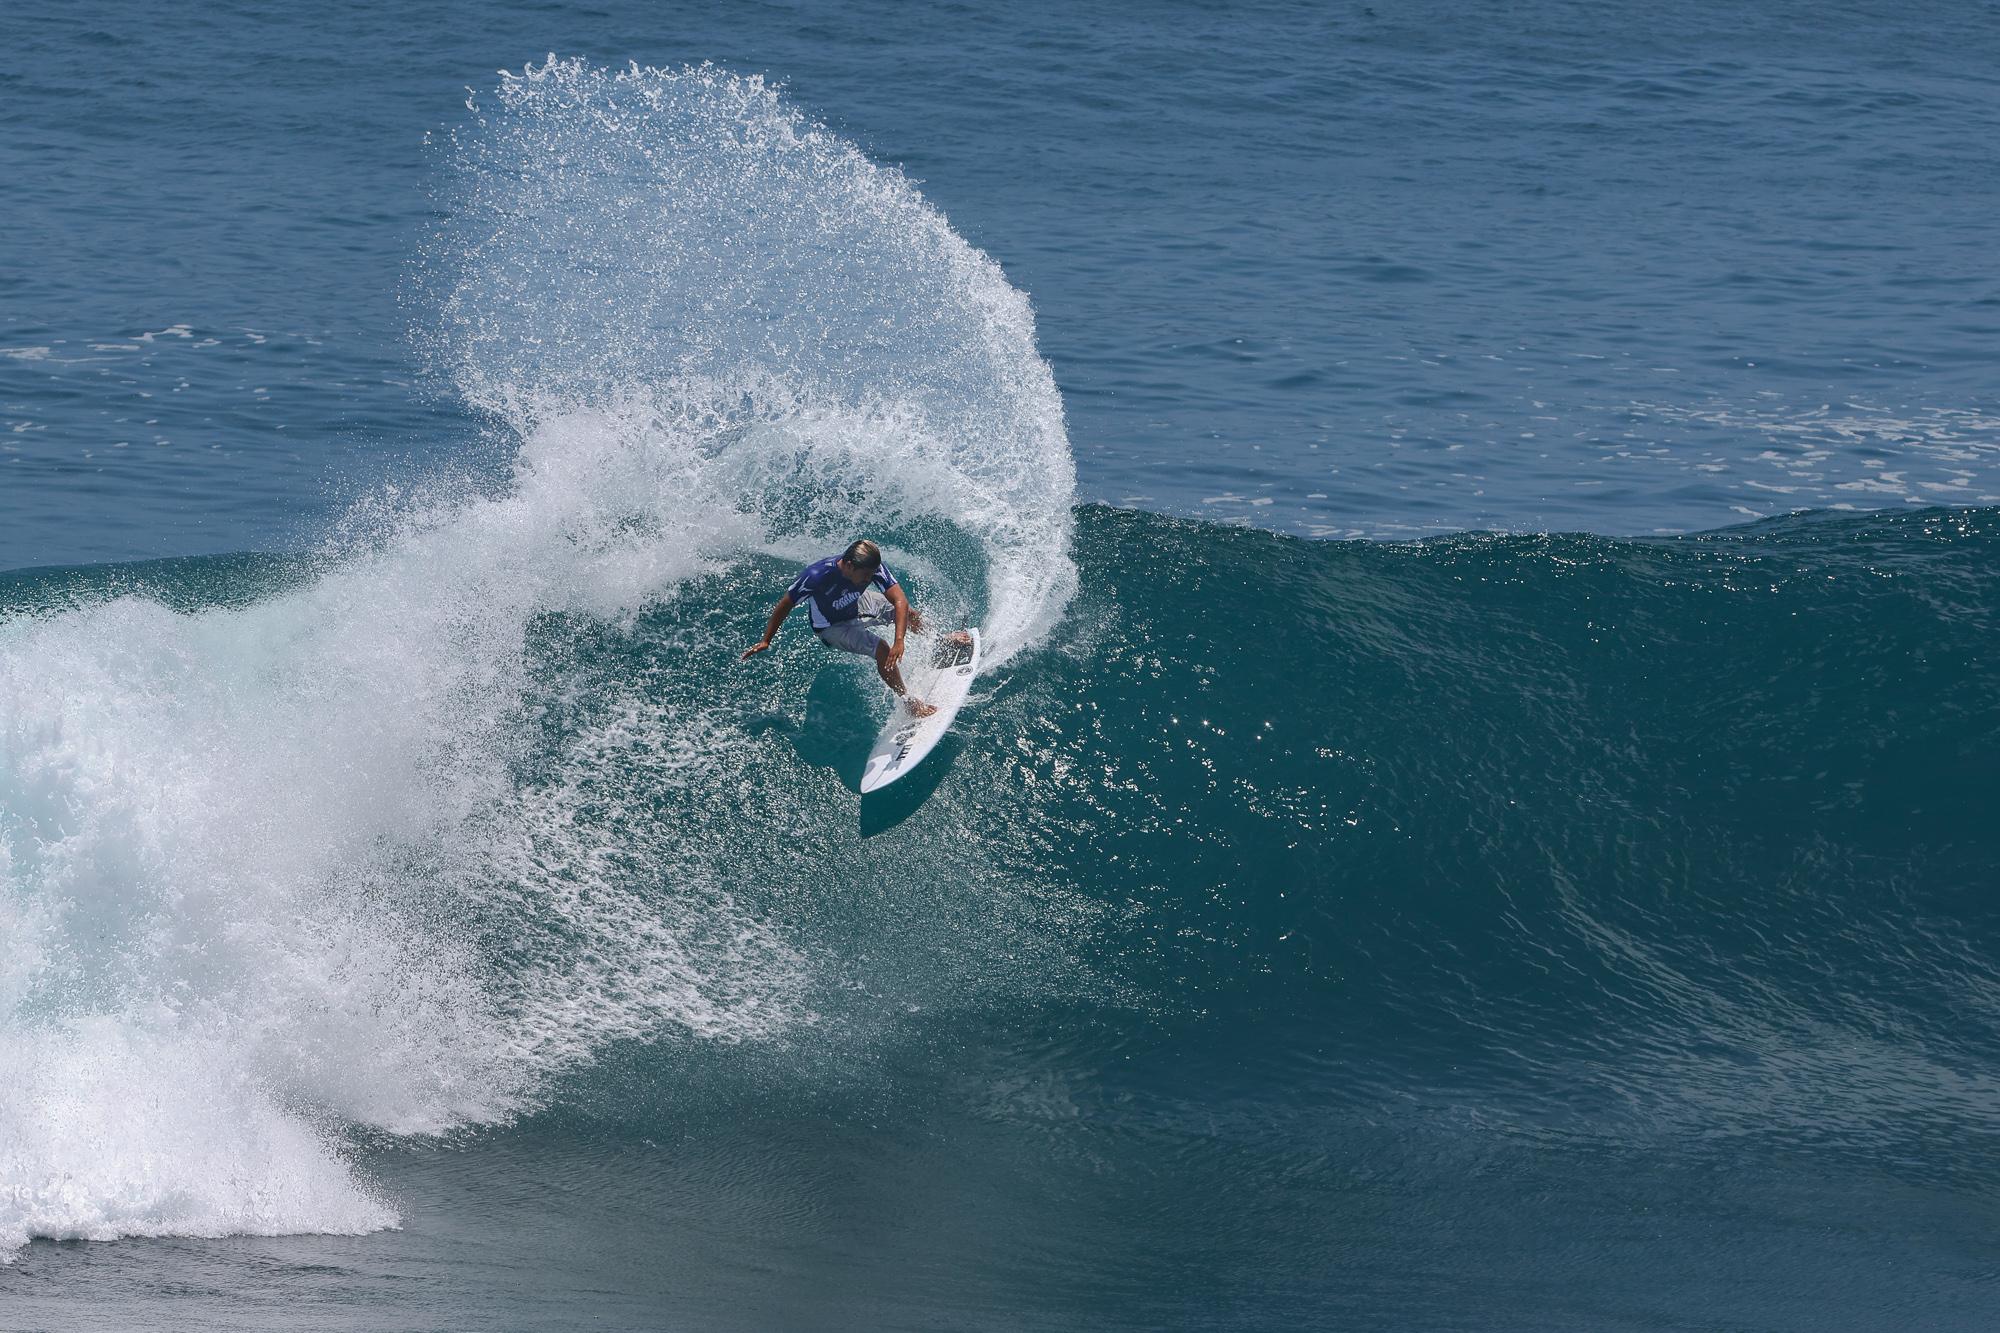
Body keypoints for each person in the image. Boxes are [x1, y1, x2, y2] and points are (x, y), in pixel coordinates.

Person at [741, 539, 966, 717]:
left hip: (854, 603)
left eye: (871, 575)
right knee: (882, 650)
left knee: (908, 614)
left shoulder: (870, 567)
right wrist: (767, 639)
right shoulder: (816, 576)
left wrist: (901, 639)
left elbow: (899, 600)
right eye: (866, 576)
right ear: (848, 565)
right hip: (831, 626)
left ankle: (940, 640)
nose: (870, 578)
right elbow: (785, 604)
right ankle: (909, 703)